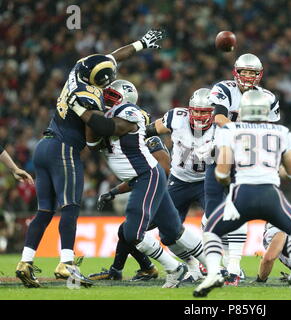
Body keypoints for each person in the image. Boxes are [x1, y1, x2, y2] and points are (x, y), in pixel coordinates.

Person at [15, 29, 165, 289]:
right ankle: (66, 262)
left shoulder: (79, 68)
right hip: (64, 149)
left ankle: (25, 262)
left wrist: (141, 44)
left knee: (44, 210)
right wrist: (83, 111)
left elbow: (116, 56)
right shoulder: (87, 95)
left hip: (43, 146)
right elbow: (102, 128)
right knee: (70, 206)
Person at [77, 79, 207, 288]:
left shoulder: (132, 118)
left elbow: (110, 128)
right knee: (173, 231)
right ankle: (214, 268)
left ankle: (173, 267)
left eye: (111, 97)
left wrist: (81, 109)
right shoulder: (108, 119)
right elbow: (92, 143)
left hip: (149, 177)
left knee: (132, 232)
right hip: (142, 179)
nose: (105, 100)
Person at [193, 90, 291, 298]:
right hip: (270, 194)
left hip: (242, 193)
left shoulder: (230, 129)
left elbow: (222, 168)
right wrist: (277, 170)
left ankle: (213, 273)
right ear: (266, 111)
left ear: (243, 110)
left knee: (210, 231)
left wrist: (224, 180)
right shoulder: (281, 132)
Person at [204, 53, 281, 286]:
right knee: (212, 209)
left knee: (239, 207)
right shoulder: (224, 89)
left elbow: (271, 130)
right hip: (222, 152)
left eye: (252, 73)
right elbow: (218, 116)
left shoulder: (268, 97)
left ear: (260, 75)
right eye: (244, 72)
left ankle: (234, 268)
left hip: (248, 158)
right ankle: (218, 263)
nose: (248, 77)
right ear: (236, 72)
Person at [88, 80, 170, 282]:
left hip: (163, 192)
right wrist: (113, 192)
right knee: (127, 230)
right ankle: (134, 269)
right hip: (148, 185)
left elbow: (163, 169)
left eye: (111, 98)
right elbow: (136, 176)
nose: (106, 101)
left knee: (149, 232)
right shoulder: (116, 133)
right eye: (106, 96)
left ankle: (182, 267)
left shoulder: (144, 136)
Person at [145, 87, 215, 281]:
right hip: (178, 181)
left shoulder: (222, 127)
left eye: (204, 112)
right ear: (189, 109)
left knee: (216, 223)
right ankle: (192, 266)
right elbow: (149, 130)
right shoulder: (176, 117)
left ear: (213, 112)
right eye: (196, 111)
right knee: (166, 233)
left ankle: (227, 267)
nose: (199, 115)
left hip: (206, 181)